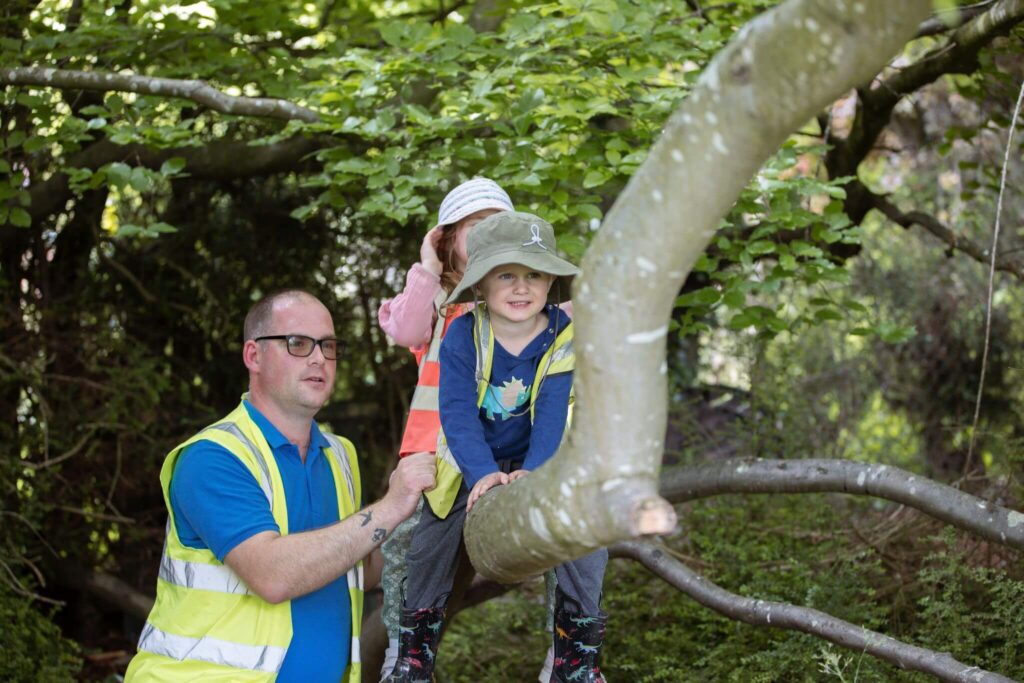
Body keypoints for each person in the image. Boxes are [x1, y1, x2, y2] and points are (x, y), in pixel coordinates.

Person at [125, 290, 435, 682]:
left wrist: (435, 523)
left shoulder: (340, 455)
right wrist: (390, 506)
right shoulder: (213, 458)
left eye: (328, 345)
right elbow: (273, 575)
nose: (319, 357)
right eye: (298, 343)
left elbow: (357, 567)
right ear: (253, 356)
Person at [385, 211, 609, 683]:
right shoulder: (463, 332)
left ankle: (577, 655)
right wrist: (481, 473)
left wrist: (534, 473)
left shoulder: (562, 336)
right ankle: (415, 652)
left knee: (585, 531)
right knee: (430, 540)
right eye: (507, 274)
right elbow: (457, 414)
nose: (522, 287)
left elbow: (551, 413)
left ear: (551, 283)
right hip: (470, 454)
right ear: (481, 283)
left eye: (535, 275)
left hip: (539, 454)